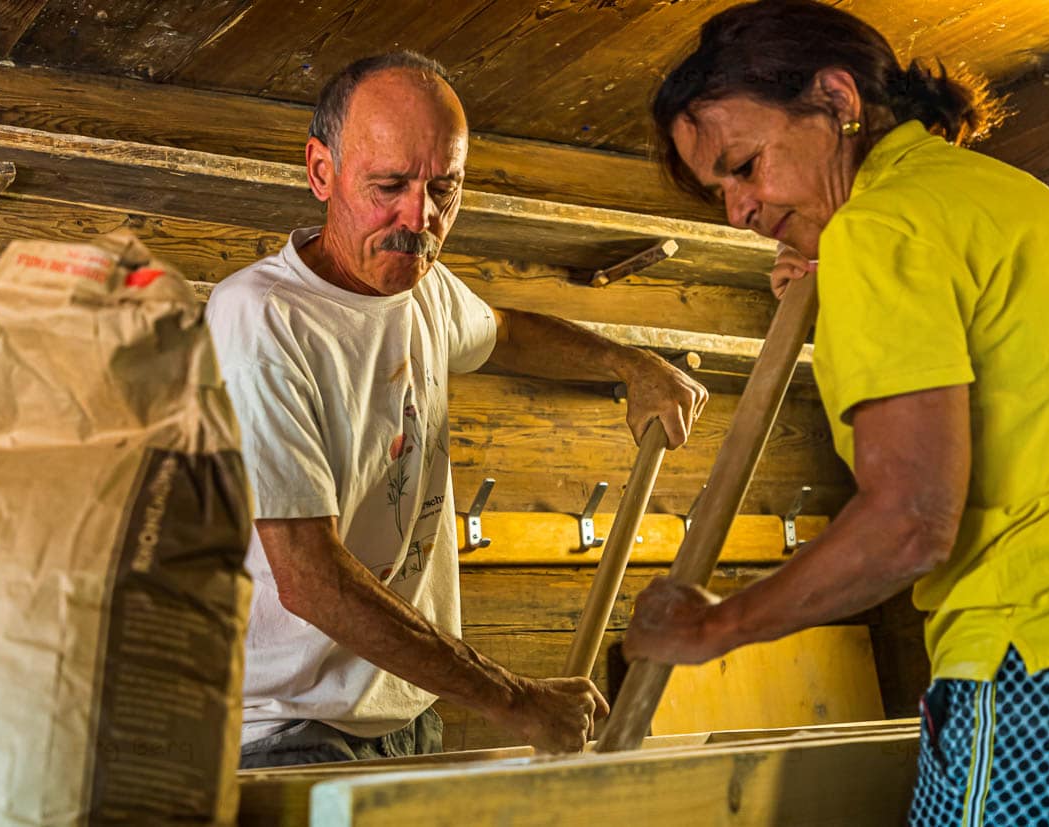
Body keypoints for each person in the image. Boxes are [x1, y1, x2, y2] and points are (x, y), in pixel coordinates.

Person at [621, 1, 1049, 824]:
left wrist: (718, 626)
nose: (738, 212)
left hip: (1042, 659)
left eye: (744, 165)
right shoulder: (998, 197)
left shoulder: (879, 227)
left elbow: (909, 520)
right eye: (722, 190)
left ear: (836, 99)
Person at [205, 51, 708, 768]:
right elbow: (310, 579)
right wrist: (515, 698)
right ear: (321, 171)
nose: (422, 218)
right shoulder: (260, 320)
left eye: (445, 188)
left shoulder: (423, 288)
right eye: (390, 186)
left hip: (407, 716)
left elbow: (503, 331)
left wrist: (628, 364)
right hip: (291, 733)